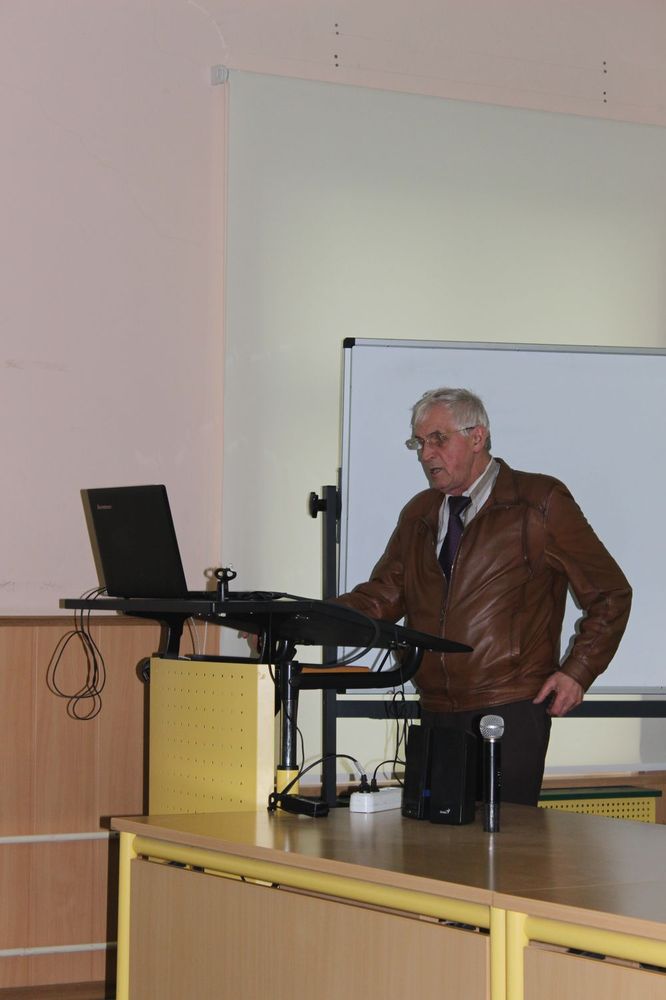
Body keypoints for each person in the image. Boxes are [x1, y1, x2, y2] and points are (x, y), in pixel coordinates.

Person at [336, 387, 632, 805]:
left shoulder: (538, 502)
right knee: (432, 842)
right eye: (419, 443)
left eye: (438, 439)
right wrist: (299, 619)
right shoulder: (420, 513)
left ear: (477, 437)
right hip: (436, 711)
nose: (426, 454)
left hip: (508, 707)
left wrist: (578, 671)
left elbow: (610, 592)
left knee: (502, 841)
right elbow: (380, 598)